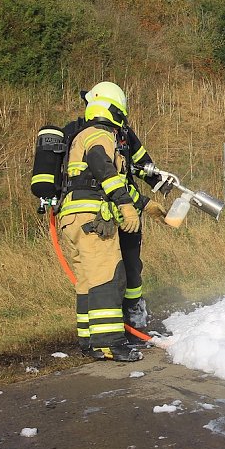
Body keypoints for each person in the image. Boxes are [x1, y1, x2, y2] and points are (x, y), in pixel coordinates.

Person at [57, 82, 163, 361]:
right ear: (114, 111)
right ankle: (110, 343)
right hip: (93, 220)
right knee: (108, 276)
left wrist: (145, 204)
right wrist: (126, 207)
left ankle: (89, 340)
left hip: (73, 218)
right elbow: (103, 169)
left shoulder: (82, 135)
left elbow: (104, 181)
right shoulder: (100, 135)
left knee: (88, 281)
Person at [79, 90, 168, 346]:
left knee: (131, 265)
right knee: (106, 273)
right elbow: (106, 175)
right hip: (104, 212)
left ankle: (133, 318)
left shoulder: (123, 134)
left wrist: (156, 188)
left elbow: (138, 166)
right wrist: (135, 203)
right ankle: (110, 333)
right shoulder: (93, 135)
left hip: (124, 207)